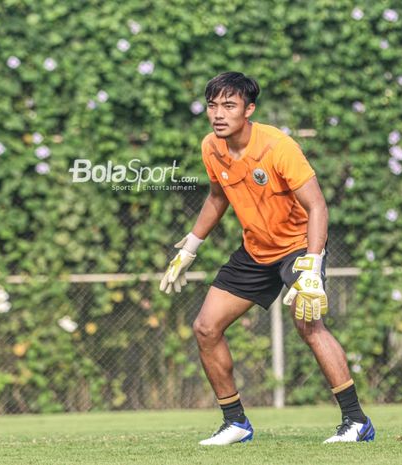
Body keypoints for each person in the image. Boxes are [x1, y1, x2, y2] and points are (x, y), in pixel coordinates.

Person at [159, 72, 375, 445]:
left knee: (309, 325)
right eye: (213, 105)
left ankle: (356, 422)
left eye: (229, 105)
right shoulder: (211, 146)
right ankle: (236, 424)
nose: (218, 114)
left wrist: (312, 263)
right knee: (206, 329)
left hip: (297, 246)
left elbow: (317, 205)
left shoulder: (277, 146)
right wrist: (191, 246)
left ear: (249, 109)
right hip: (255, 250)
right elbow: (217, 196)